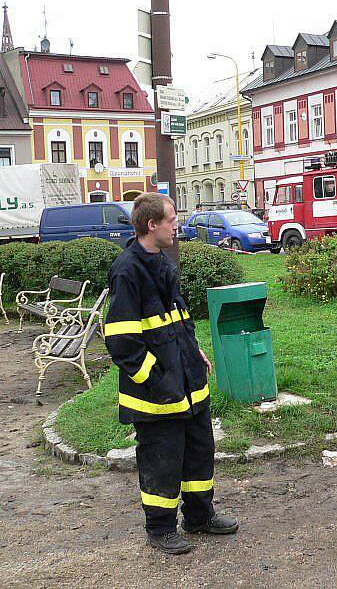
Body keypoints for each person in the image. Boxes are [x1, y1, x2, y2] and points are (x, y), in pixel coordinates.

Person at [104, 193, 238, 555]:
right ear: (152, 225)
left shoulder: (162, 262)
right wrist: (157, 380)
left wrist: (195, 353)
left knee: (198, 451)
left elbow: (177, 318)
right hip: (156, 394)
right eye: (172, 218)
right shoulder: (127, 271)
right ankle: (160, 528)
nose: (177, 224)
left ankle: (199, 516)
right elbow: (121, 342)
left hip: (189, 384)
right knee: (162, 460)